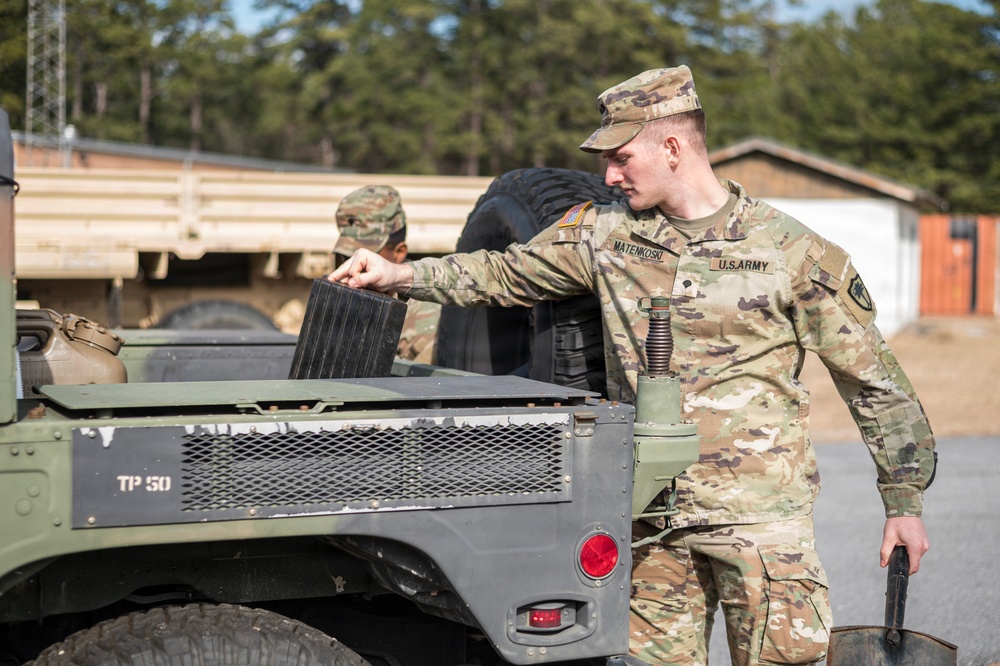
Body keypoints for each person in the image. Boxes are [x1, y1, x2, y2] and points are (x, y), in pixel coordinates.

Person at [329, 66, 936, 666]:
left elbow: (876, 385)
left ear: (673, 147)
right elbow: (503, 273)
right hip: (651, 524)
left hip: (759, 527)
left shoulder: (793, 252)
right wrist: (401, 275)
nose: (608, 175)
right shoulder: (604, 235)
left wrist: (903, 502)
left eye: (621, 158)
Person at [332, 185, 441, 364]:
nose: (352, 267)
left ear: (399, 253)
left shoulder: (424, 318)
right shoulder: (344, 298)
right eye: (346, 256)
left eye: (367, 259)